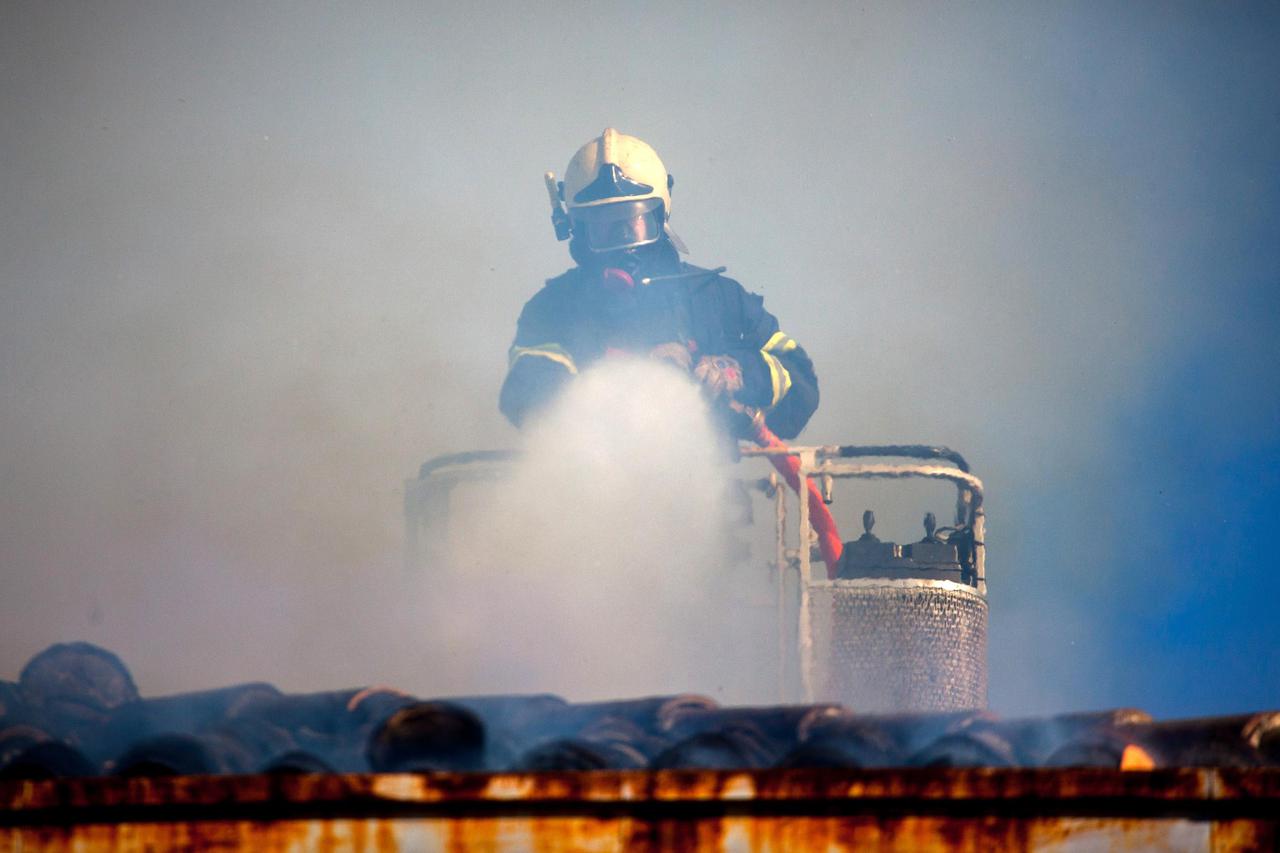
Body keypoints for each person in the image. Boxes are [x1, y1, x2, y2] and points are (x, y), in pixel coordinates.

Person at [499, 128, 818, 443]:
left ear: (660, 214)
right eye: (603, 227)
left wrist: (733, 370)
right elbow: (528, 394)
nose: (623, 242)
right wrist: (636, 377)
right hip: (588, 491)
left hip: (704, 493)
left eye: (633, 221)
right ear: (578, 230)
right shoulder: (553, 310)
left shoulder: (718, 299)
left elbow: (801, 384)